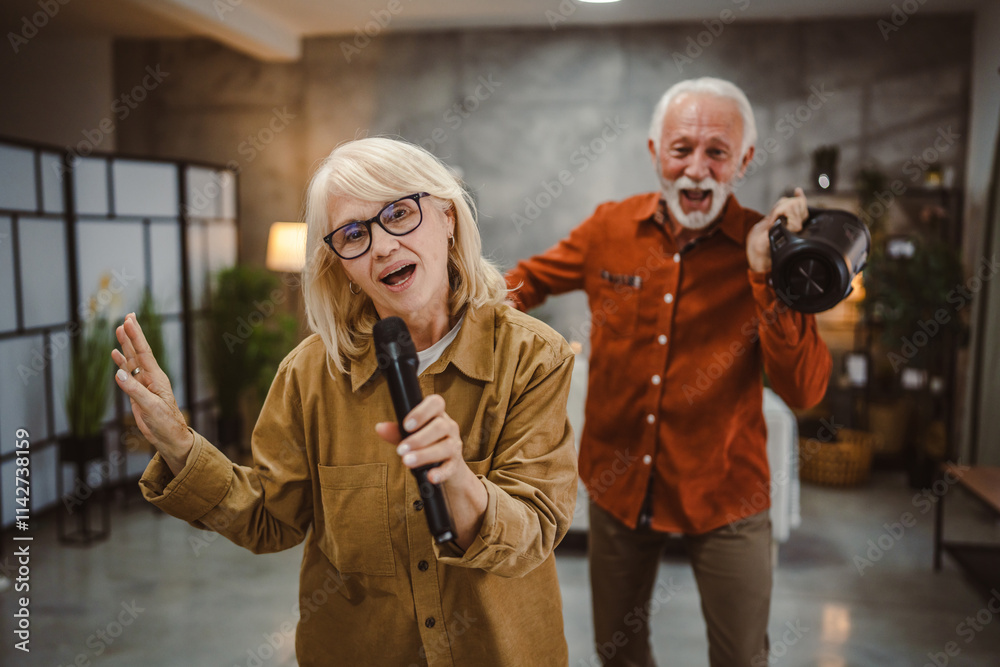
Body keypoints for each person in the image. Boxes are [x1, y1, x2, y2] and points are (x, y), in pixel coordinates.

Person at [112, 137, 579, 666]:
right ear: (340, 262)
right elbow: (270, 519)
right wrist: (177, 441)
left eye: (399, 213)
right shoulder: (309, 375)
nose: (382, 246)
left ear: (447, 218)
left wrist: (456, 478)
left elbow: (534, 534)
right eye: (355, 233)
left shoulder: (533, 357)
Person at [505, 77, 832, 666]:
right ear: (656, 153)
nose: (697, 169)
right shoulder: (608, 228)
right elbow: (523, 284)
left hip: (726, 492)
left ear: (744, 160)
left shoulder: (768, 249)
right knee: (618, 651)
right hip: (618, 485)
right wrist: (440, 301)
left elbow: (805, 389)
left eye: (717, 151)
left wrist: (766, 275)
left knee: (741, 658)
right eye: (682, 149)